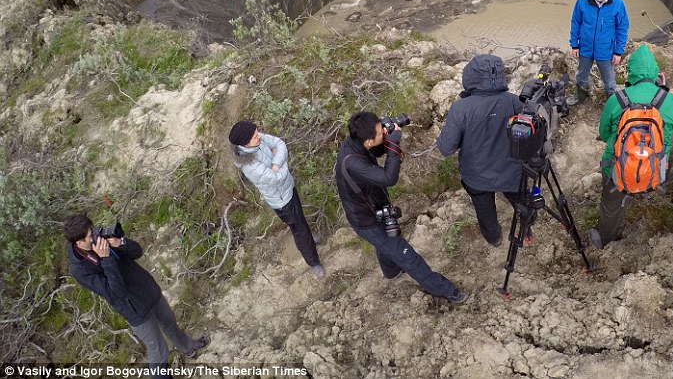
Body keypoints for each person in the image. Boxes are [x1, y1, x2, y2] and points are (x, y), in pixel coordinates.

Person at [336, 111, 467, 303]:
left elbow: (375, 151)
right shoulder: (353, 162)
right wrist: (395, 143)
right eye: (381, 133)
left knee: (385, 245)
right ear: (368, 141)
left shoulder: (357, 143)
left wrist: (388, 143)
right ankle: (447, 291)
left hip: (373, 205)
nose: (385, 132)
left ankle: (391, 272)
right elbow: (389, 178)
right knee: (406, 255)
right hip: (367, 220)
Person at [64, 214, 209, 368]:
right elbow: (116, 293)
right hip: (135, 309)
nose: (94, 235)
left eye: (92, 230)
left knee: (169, 322)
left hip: (148, 290)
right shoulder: (80, 269)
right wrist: (106, 258)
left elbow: (137, 252)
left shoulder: (101, 239)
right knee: (158, 351)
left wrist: (120, 242)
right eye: (89, 235)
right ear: (79, 243)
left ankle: (188, 347)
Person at [587, 45, 673, 249]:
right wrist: (665, 89)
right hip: (652, 168)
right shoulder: (669, 100)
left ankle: (605, 239)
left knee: (610, 205)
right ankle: (657, 177)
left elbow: (603, 134)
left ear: (631, 72)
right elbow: (668, 133)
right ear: (656, 73)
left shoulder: (617, 99)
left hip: (617, 169)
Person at [436, 54, 524, 246]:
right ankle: (527, 223)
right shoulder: (516, 102)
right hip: (512, 171)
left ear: (470, 76)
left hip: (477, 175)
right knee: (521, 201)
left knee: (484, 210)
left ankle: (495, 238)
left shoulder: (461, 108)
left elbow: (446, 148)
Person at [229, 121, 325, 278]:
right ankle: (313, 261)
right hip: (282, 201)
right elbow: (276, 178)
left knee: (300, 221)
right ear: (244, 143)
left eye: (257, 132)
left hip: (288, 188)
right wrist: (282, 161)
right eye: (254, 136)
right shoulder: (250, 166)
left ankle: (309, 239)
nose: (259, 136)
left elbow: (280, 144)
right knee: (298, 229)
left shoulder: (256, 140)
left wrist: (275, 162)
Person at [568, 0, 630, 105]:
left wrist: (618, 51)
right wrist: (574, 44)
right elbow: (575, 22)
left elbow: (622, 29)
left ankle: (612, 104)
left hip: (606, 51)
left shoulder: (618, 4)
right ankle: (580, 97)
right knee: (581, 75)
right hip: (585, 47)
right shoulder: (582, 1)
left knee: (609, 80)